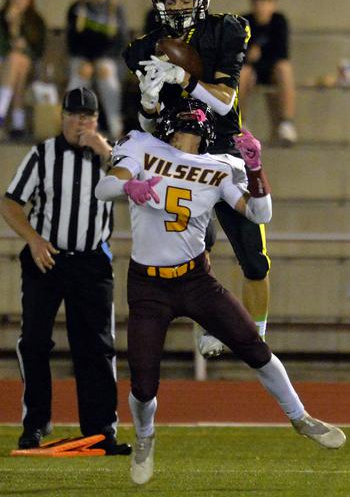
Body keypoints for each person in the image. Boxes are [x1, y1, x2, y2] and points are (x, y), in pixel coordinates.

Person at [95, 98, 346, 485]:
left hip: (195, 280)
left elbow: (260, 215)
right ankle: (145, 437)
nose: (185, 139)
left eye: (193, 132)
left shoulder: (219, 167)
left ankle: (300, 417)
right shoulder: (143, 147)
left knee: (254, 347)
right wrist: (128, 184)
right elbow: (104, 187)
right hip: (148, 284)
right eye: (180, 130)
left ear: (204, 137)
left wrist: (258, 170)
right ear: (167, 129)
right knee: (143, 383)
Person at [123, 0, 270, 357]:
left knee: (253, 258)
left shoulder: (226, 30)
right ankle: (217, 323)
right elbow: (147, 126)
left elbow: (224, 103)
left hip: (225, 154)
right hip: (181, 159)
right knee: (192, 256)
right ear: (158, 4)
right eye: (170, 0)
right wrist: (150, 101)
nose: (178, 6)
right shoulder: (144, 48)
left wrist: (185, 79)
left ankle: (254, 332)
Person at [0, 87, 131, 456]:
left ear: (96, 120)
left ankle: (101, 430)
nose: (80, 122)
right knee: (35, 342)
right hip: (49, 257)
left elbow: (133, 187)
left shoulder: (112, 156)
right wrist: (34, 240)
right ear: (62, 117)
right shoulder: (42, 155)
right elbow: (10, 204)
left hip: (92, 261)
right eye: (74, 115)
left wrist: (104, 150)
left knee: (97, 346)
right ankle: (35, 424)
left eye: (87, 116)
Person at [66, 0, 128, 140]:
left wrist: (102, 61)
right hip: (82, 58)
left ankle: (116, 127)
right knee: (78, 78)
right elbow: (73, 41)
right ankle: (73, 127)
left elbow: (120, 42)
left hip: (109, 59)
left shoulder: (116, 9)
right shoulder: (77, 8)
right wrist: (85, 61)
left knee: (107, 76)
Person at [240, 0, 297, 145]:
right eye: (258, 3)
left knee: (284, 69)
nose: (262, 8)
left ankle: (286, 123)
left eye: (266, 3)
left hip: (271, 70)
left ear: (273, 4)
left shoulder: (279, 21)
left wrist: (260, 54)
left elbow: (282, 54)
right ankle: (240, 123)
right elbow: (238, 55)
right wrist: (250, 57)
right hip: (252, 72)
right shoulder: (245, 22)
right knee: (242, 72)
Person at [0, 0, 46, 141]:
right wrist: (11, 26)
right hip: (2, 64)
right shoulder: (1, 18)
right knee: (14, 61)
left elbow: (37, 50)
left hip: (29, 66)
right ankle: (17, 125)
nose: (19, 0)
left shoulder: (36, 21)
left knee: (17, 61)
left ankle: (2, 116)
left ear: (30, 0)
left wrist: (17, 29)